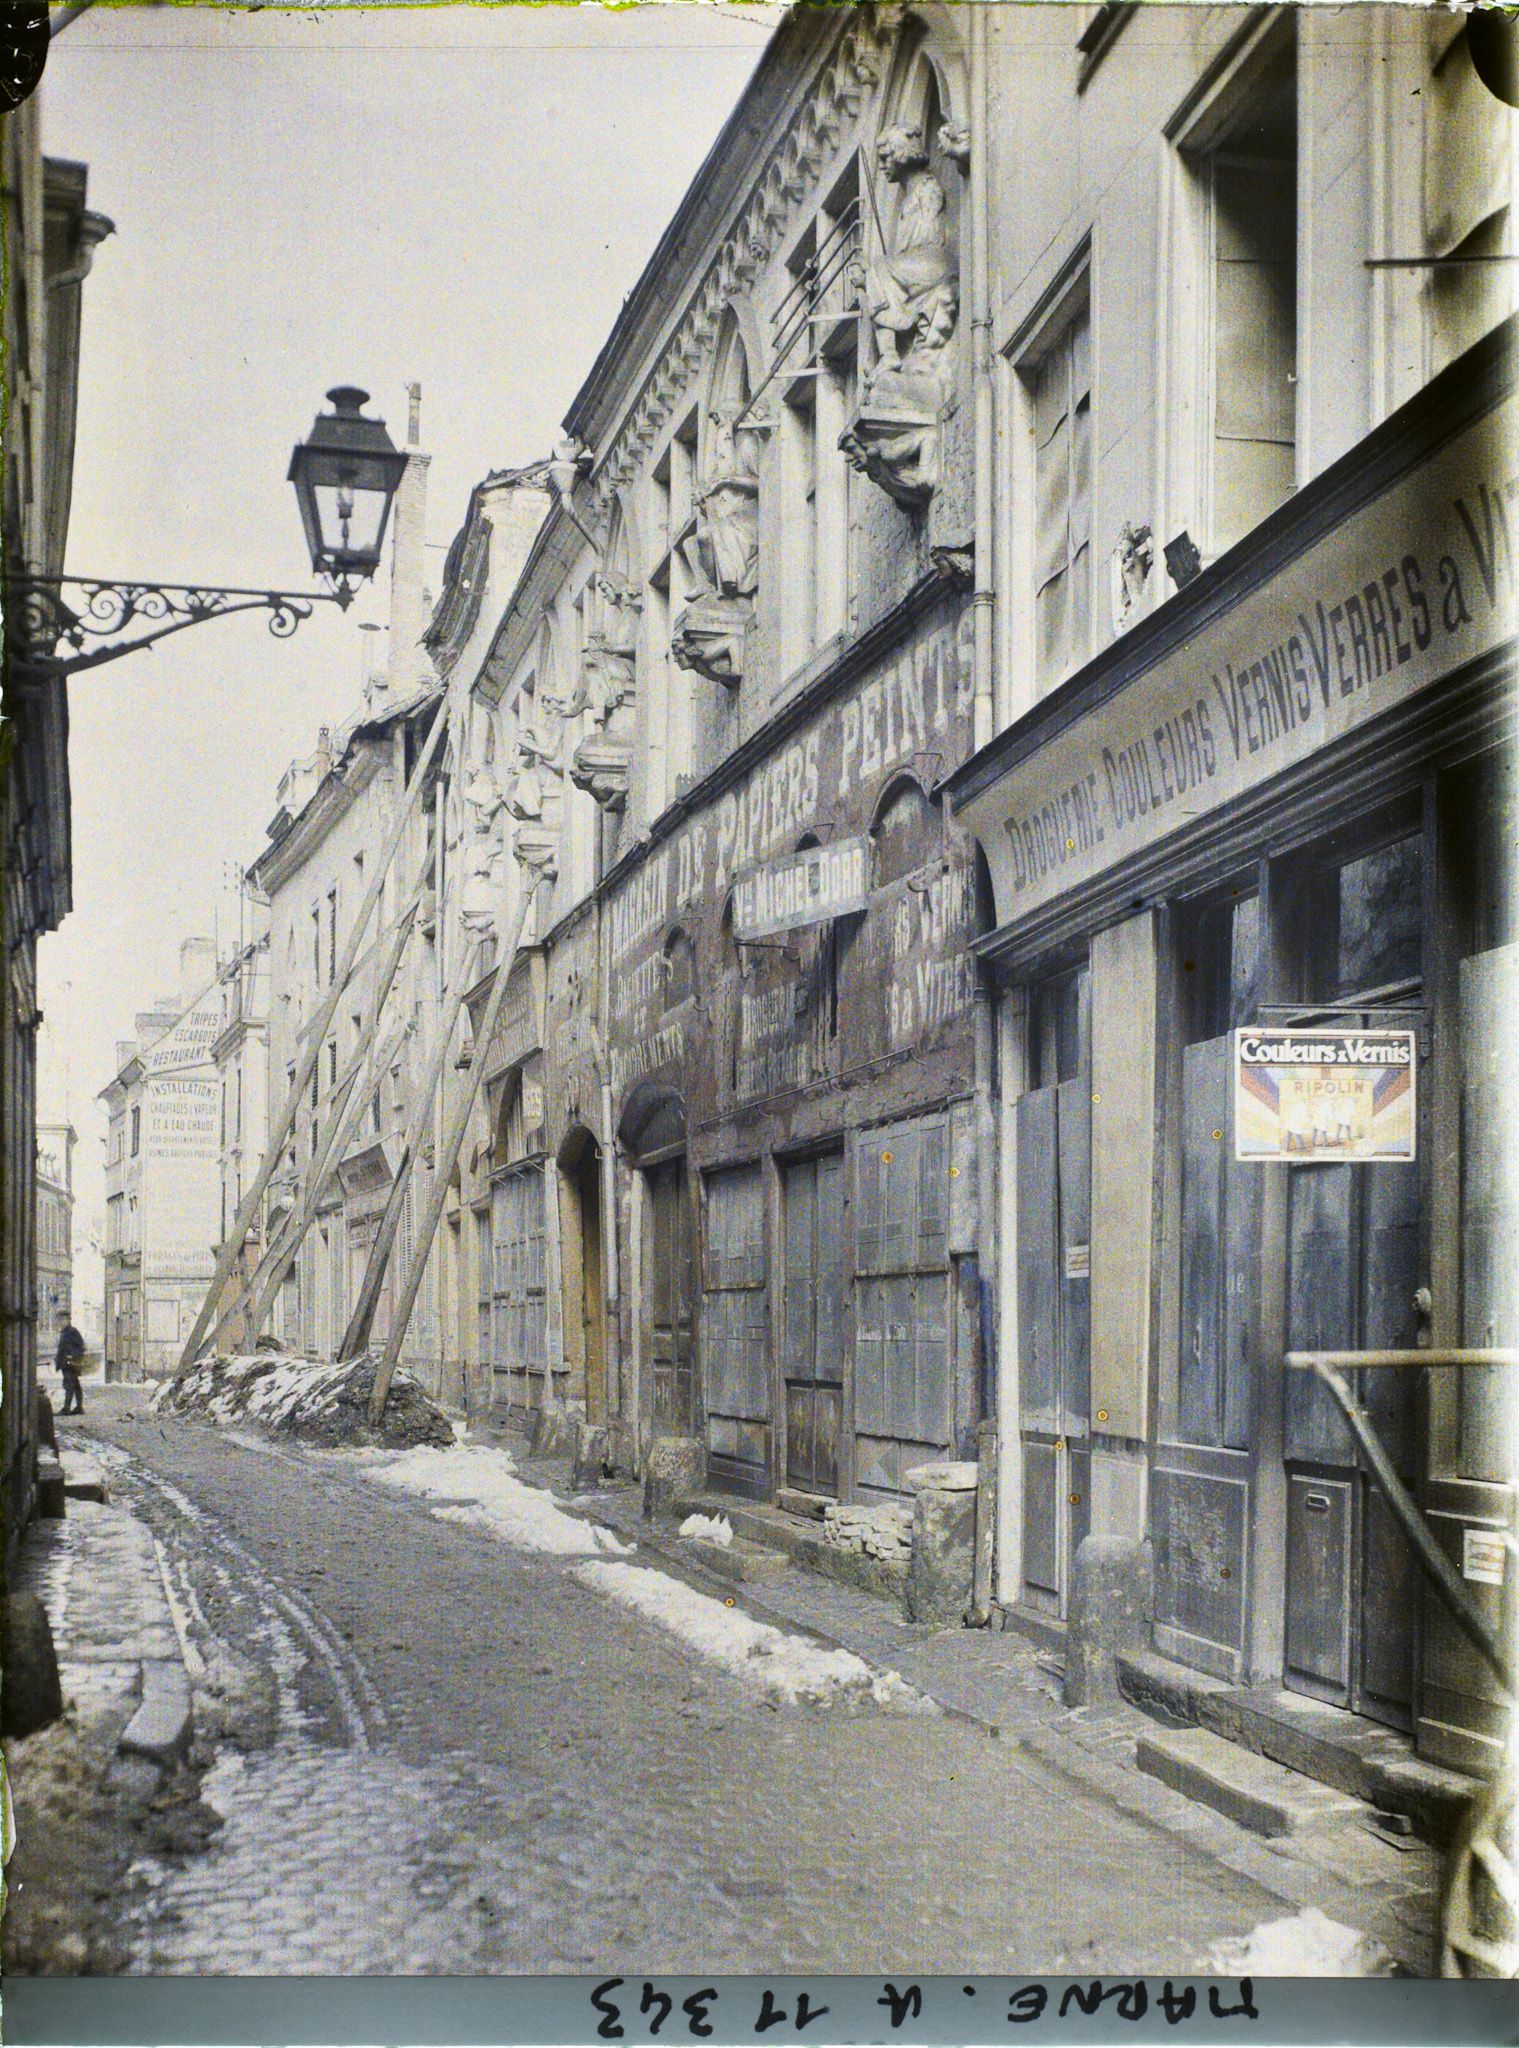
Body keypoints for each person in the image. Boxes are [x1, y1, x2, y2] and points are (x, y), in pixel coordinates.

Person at [55, 1320, 85, 1416]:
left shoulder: (72, 1331)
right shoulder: (64, 1333)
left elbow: (81, 1346)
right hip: (66, 1363)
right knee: (75, 1384)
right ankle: (79, 1407)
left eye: (62, 1320)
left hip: (70, 1364)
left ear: (67, 1321)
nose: (60, 1322)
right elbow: (62, 1349)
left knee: (69, 1385)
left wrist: (72, 1356)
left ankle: (66, 1408)